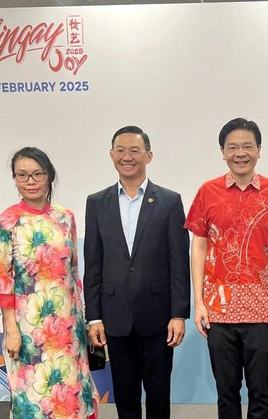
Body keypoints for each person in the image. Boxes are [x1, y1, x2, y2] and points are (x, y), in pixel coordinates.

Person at [185, 117, 268, 419]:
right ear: (222, 151)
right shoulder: (208, 191)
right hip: (218, 307)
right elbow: (199, 245)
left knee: (261, 390)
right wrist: (199, 302)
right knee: (226, 391)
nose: (240, 152)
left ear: (259, 150)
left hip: (263, 308)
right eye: (232, 147)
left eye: (247, 146)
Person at [84, 126, 190, 419]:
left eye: (134, 151)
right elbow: (93, 263)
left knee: (158, 394)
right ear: (111, 155)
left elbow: (179, 262)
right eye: (120, 150)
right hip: (114, 316)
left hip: (158, 316)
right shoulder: (96, 202)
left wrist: (178, 314)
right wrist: (93, 316)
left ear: (149, 156)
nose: (127, 157)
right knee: (125, 395)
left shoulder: (169, 201)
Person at [0, 147, 98, 417]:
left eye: (38, 173)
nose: (31, 181)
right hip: (28, 329)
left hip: (67, 326)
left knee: (71, 396)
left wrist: (81, 321)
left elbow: (73, 273)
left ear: (49, 176)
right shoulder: (5, 222)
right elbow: (0, 280)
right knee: (35, 398)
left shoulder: (65, 217)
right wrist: (11, 329)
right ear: (14, 179)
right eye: (22, 175)